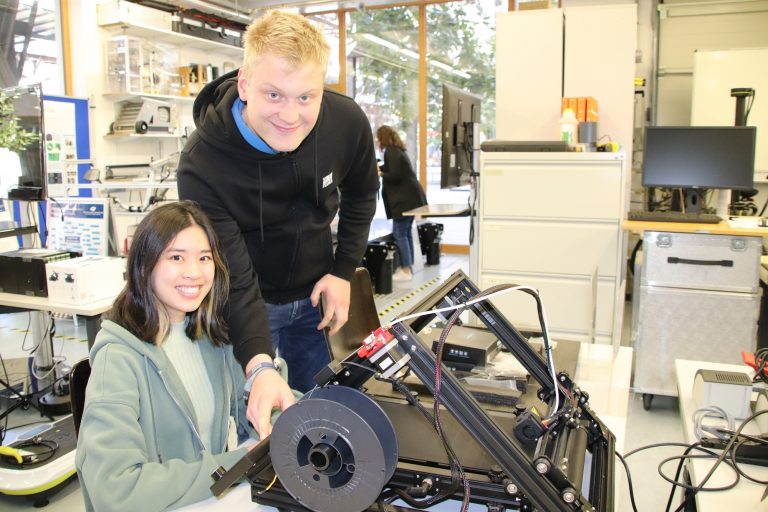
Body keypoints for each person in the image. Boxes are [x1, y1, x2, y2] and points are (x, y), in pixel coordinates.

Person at [177, 9, 379, 434]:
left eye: (306, 97)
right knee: (255, 429)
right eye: (273, 95)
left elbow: (363, 193)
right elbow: (232, 272)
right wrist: (259, 364)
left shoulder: (345, 123)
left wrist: (343, 271)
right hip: (248, 301)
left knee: (321, 418)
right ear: (244, 84)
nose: (290, 116)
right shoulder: (204, 163)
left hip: (317, 298)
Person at [75, 201, 293, 511]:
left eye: (204, 258)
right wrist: (236, 464)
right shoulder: (118, 359)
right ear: (145, 265)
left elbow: (258, 409)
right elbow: (115, 488)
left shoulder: (212, 336)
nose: (194, 272)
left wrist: (287, 408)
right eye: (176, 257)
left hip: (210, 498)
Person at [376, 125, 428, 282]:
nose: (377, 141)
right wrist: (382, 167)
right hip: (411, 198)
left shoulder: (390, 151)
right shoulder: (397, 150)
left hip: (404, 200)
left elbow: (395, 175)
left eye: (378, 138)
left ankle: (405, 270)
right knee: (405, 233)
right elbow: (395, 169)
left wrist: (380, 173)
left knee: (399, 234)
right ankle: (409, 268)